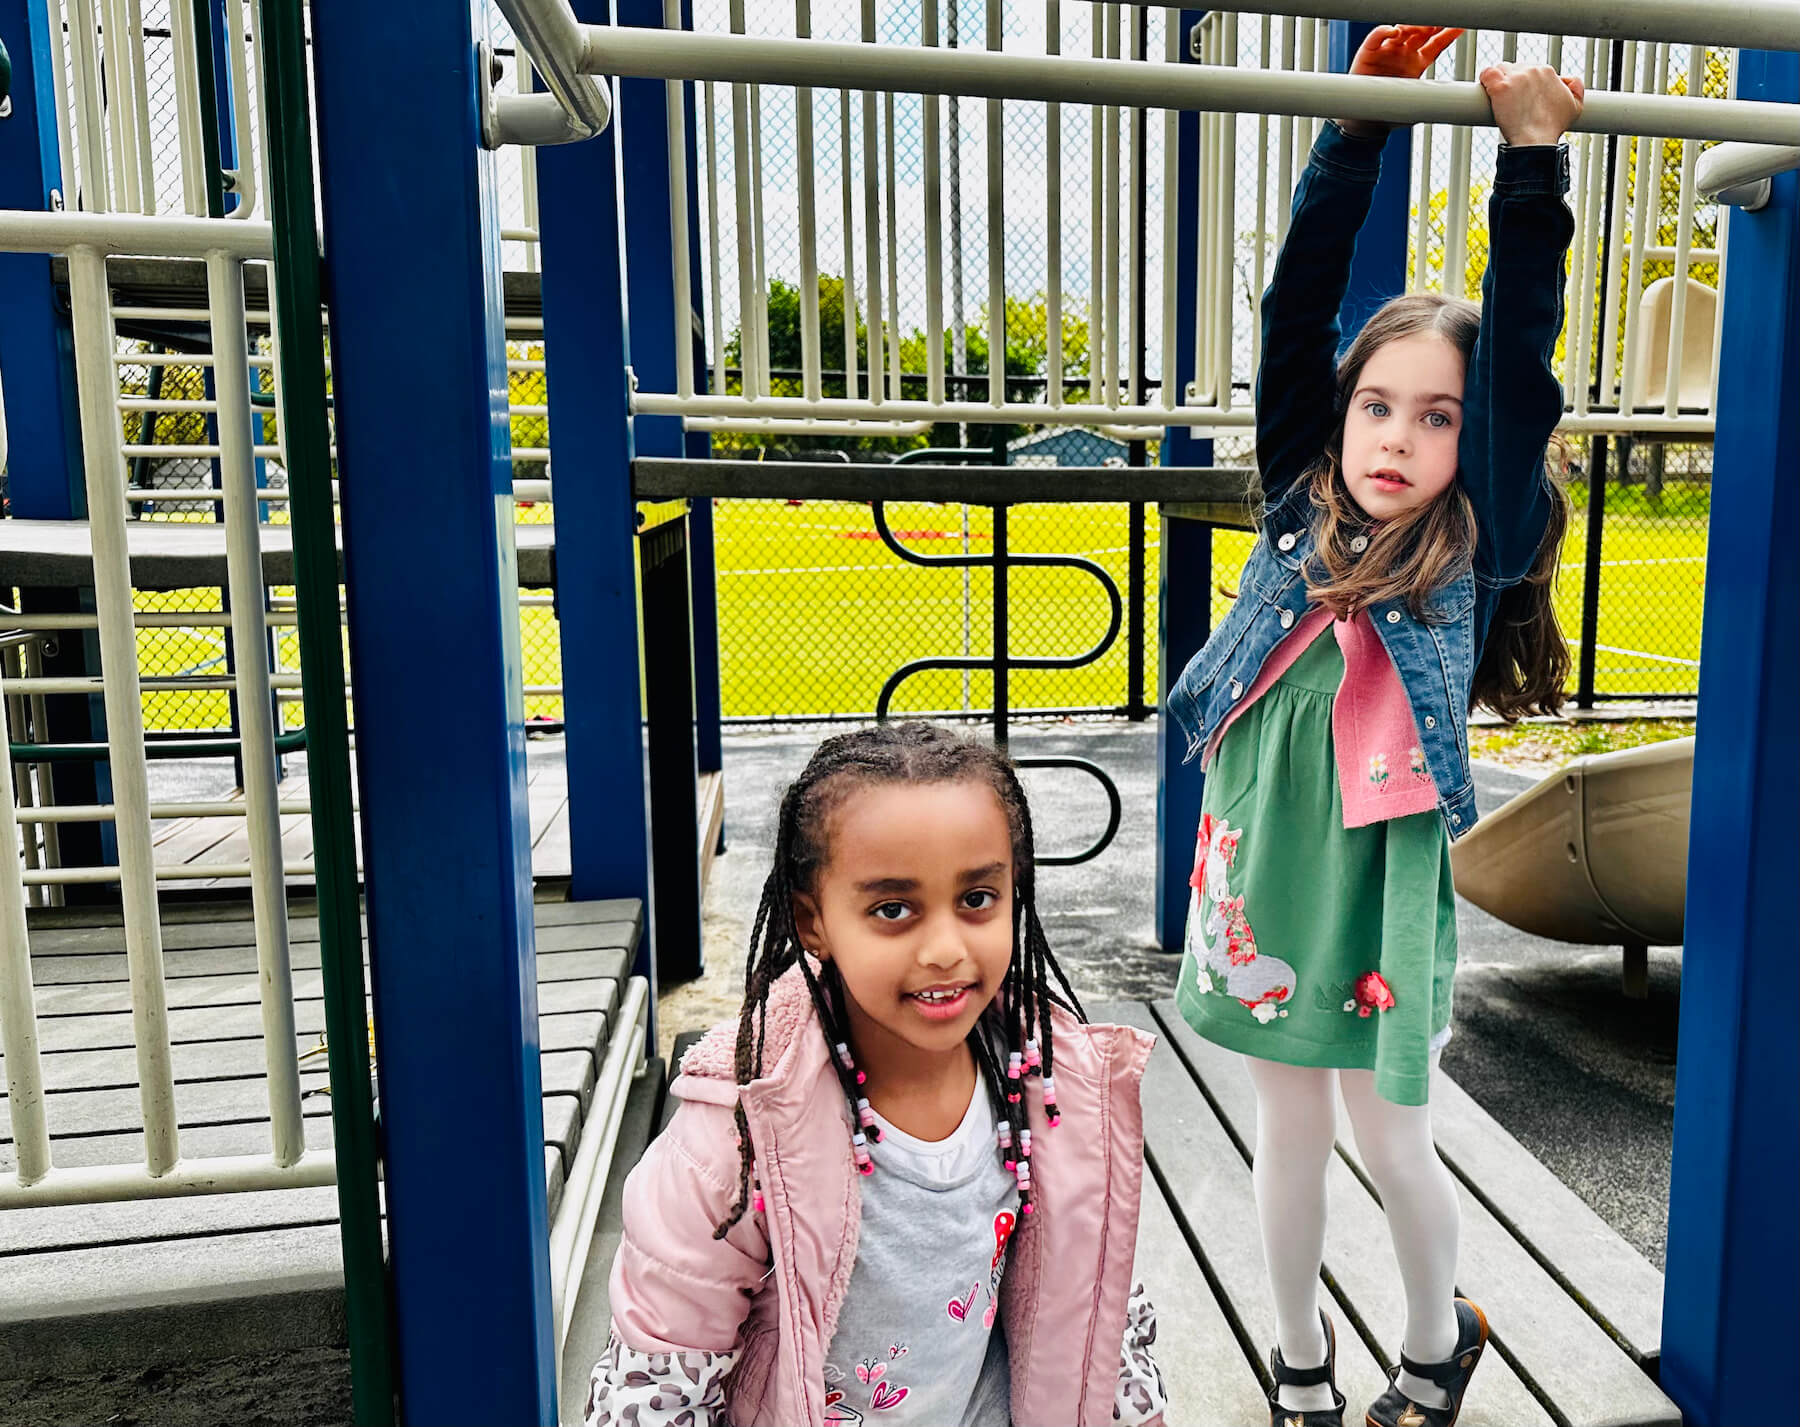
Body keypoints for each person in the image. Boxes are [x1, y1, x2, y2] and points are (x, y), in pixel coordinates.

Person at [1163, 25, 1583, 1427]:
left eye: (1437, 417)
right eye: (1377, 403)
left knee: (1389, 1134)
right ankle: (1298, 1356)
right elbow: (1298, 304)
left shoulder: (1478, 542)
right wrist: (1357, 132)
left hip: (1380, 863)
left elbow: (1519, 352)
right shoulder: (1299, 493)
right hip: (1264, 852)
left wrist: (1533, 166)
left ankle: (1430, 1340)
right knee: (1285, 1124)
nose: (1396, 435)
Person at [584, 722, 1166, 1427]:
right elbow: (659, 1376)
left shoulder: (1056, 1091)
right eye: (894, 909)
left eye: (978, 898)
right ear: (813, 921)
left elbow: (1096, 1303)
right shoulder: (739, 1138)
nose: (946, 947)